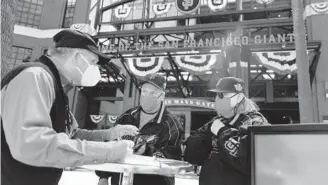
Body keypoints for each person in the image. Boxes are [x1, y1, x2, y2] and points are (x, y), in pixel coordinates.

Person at [1, 29, 139, 185]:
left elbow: (71, 135)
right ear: (77, 57)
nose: (96, 70)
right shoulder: (34, 76)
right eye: (93, 62)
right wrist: (109, 152)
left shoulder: (56, 86)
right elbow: (31, 144)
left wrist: (109, 134)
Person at [96, 73, 184, 185]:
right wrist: (103, 177)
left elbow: (173, 160)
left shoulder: (171, 124)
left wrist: (148, 151)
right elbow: (110, 146)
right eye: (144, 92)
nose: (147, 96)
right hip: (121, 180)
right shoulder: (126, 117)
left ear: (162, 96)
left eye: (152, 93)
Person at [183, 77, 269, 185]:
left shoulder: (255, 122)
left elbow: (247, 162)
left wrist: (222, 132)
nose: (217, 100)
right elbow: (191, 155)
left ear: (239, 97)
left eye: (222, 95)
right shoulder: (216, 121)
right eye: (216, 96)